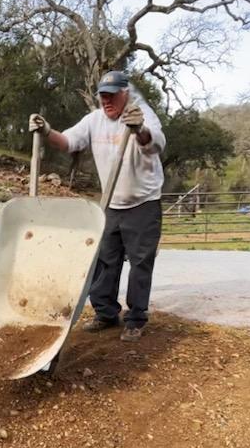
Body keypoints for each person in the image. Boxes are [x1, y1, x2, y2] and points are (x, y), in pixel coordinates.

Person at [29, 70, 166, 342]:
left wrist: (140, 130)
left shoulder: (142, 115)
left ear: (125, 93)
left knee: (140, 263)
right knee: (104, 261)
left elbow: (155, 145)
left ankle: (136, 319)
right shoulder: (94, 120)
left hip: (143, 203)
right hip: (111, 203)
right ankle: (105, 313)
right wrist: (46, 131)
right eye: (103, 96)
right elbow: (68, 142)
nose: (107, 101)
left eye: (112, 95)